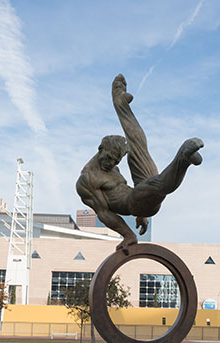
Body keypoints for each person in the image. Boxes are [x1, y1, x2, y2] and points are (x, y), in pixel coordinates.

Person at [76, 74, 203, 252]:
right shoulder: (88, 180)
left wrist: (141, 215)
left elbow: (124, 159)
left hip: (139, 199)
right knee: (158, 185)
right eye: (109, 159)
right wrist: (128, 235)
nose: (111, 164)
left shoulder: (112, 167)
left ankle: (119, 102)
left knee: (137, 144)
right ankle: (183, 159)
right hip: (133, 202)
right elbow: (105, 214)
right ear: (100, 149)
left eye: (115, 161)